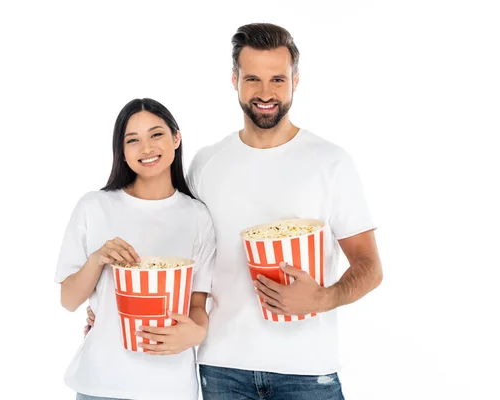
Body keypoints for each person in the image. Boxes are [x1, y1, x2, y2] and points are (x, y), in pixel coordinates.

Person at [87, 23, 383, 400]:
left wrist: (323, 298)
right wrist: (109, 306)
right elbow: (173, 244)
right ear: (234, 80)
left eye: (278, 79)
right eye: (252, 79)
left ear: (296, 80)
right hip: (222, 369)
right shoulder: (207, 163)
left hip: (307, 371)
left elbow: (370, 266)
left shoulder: (331, 162)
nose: (265, 93)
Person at [55, 98, 215, 400]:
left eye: (156, 134)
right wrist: (98, 259)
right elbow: (68, 300)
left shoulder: (198, 217)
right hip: (100, 385)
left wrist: (198, 332)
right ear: (122, 152)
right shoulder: (94, 207)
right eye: (133, 140)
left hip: (171, 387)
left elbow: (197, 305)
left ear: (176, 138)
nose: (146, 148)